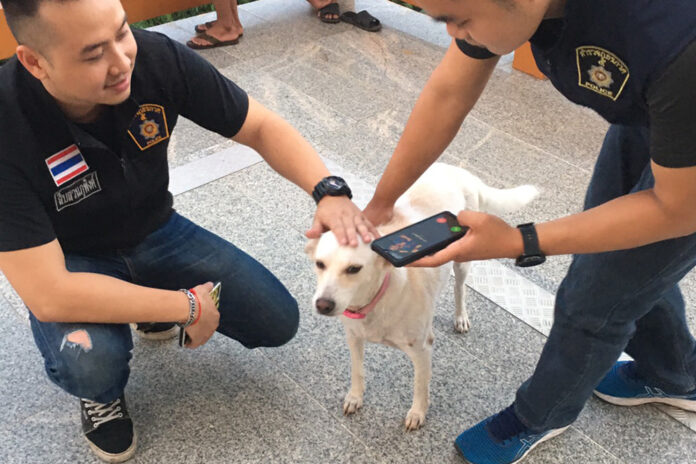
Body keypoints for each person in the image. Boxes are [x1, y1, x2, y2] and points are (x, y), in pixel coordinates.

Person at [0, 0, 376, 462]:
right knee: (91, 361)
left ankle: (144, 302)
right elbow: (50, 295)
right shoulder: (6, 124)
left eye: (122, 32)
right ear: (35, 61)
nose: (122, 62)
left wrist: (328, 189)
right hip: (71, 259)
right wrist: (188, 306)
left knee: (277, 320)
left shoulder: (157, 59)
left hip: (157, 229)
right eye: (93, 54)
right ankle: (101, 395)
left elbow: (259, 125)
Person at [362, 0, 696, 463]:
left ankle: (541, 413)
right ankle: (677, 373)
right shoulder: (506, 12)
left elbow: (676, 209)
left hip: (686, 158)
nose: (453, 35)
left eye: (458, 20)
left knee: (592, 296)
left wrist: (523, 241)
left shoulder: (671, 40)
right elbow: (448, 94)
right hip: (656, 118)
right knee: (629, 264)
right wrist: (381, 204)